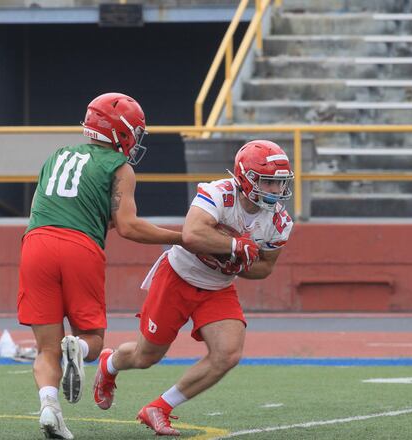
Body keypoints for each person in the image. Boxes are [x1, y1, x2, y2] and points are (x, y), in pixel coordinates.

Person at [92, 140, 295, 436]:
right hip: (178, 276)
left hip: (218, 286)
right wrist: (234, 245)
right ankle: (109, 364)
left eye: (279, 184)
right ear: (245, 177)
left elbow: (265, 268)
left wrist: (238, 264)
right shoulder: (219, 193)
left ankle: (159, 407)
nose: (276, 191)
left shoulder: (279, 222)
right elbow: (192, 233)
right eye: (268, 182)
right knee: (145, 357)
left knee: (228, 354)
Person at [18, 92, 182, 439]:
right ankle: (76, 350)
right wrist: (180, 237)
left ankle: (49, 407)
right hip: (80, 246)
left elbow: (40, 210)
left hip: (36, 243)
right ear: (121, 132)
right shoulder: (120, 167)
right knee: (90, 338)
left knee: (46, 347)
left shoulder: (57, 156)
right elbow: (128, 226)